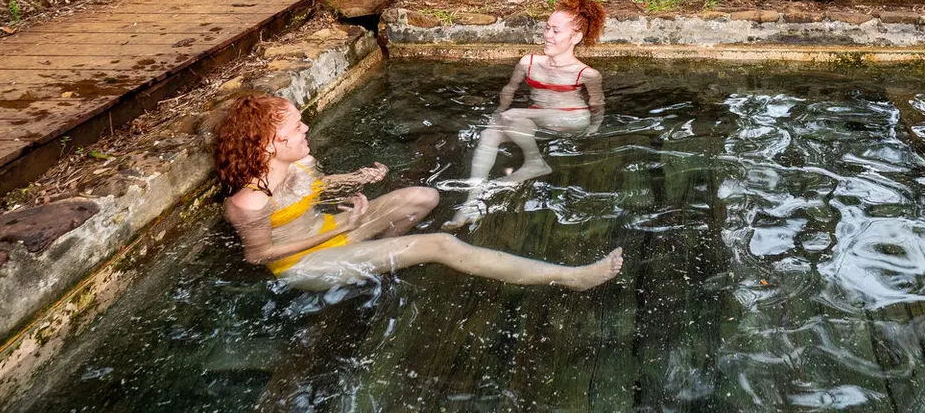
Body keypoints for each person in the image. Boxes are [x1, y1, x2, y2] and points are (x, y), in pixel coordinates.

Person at [215, 93, 622, 290]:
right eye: (295, 128)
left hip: (333, 229)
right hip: (306, 263)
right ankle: (570, 278)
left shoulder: (300, 161)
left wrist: (356, 179)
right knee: (440, 244)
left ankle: (382, 261)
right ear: (267, 145)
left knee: (423, 197)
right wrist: (336, 230)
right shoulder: (248, 202)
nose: (306, 130)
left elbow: (313, 189)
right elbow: (258, 256)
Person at [447, 0, 607, 229]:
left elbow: (597, 104)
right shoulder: (529, 63)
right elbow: (509, 90)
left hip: (570, 119)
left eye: (556, 31)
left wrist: (593, 129)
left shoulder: (587, 73)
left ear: (576, 37)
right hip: (535, 119)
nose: (548, 36)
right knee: (490, 132)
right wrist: (497, 114)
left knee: (512, 115)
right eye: (547, 28)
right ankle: (471, 202)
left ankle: (534, 163)